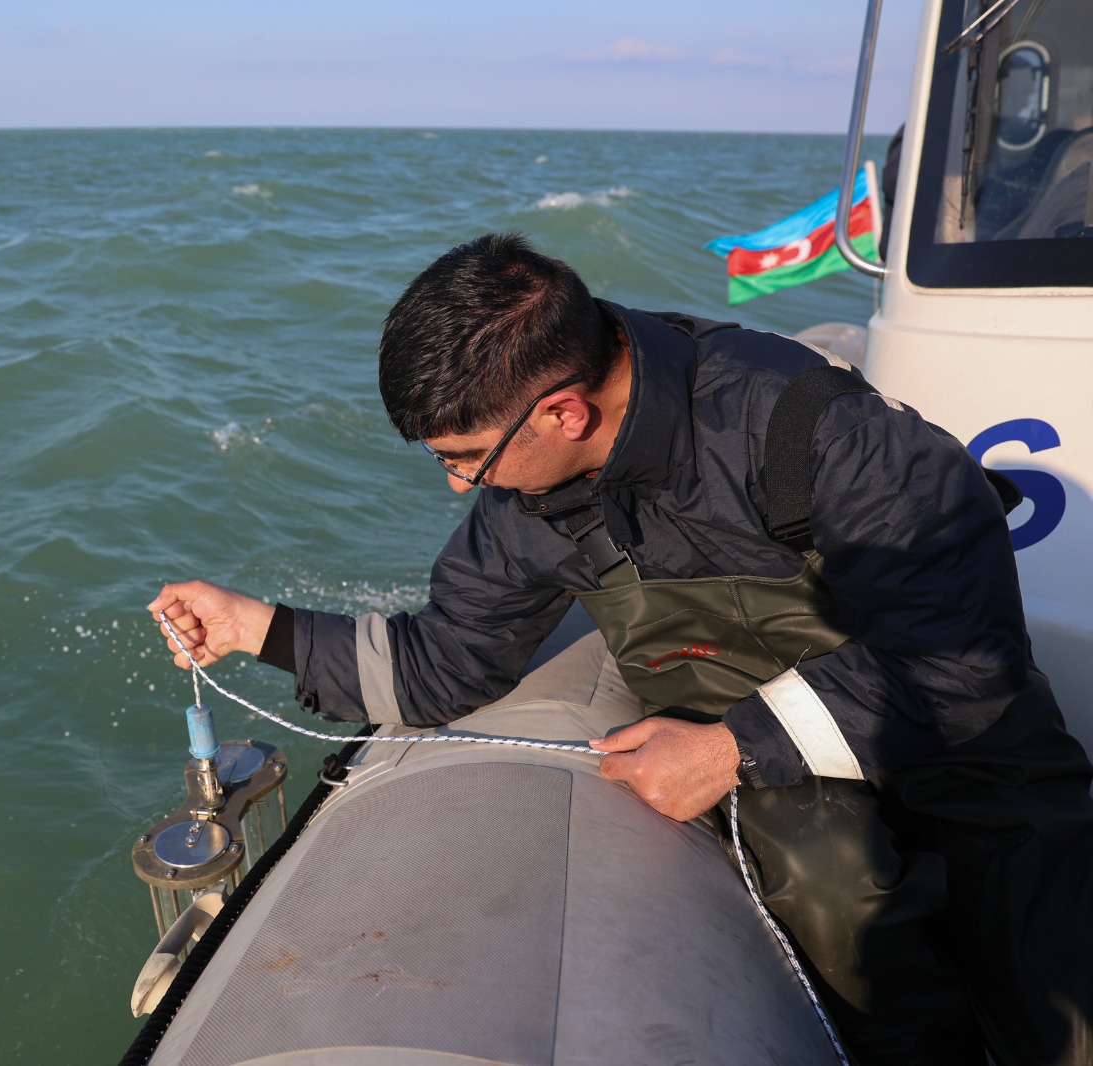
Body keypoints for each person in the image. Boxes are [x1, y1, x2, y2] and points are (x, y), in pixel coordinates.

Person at [148, 233, 1093, 1066]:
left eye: (463, 456)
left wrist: (728, 748)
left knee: (1062, 981)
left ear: (563, 412)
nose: (457, 485)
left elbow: (961, 662)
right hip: (793, 763)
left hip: (964, 748)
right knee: (830, 883)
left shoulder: (817, 427)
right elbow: (448, 663)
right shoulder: (523, 507)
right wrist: (255, 627)